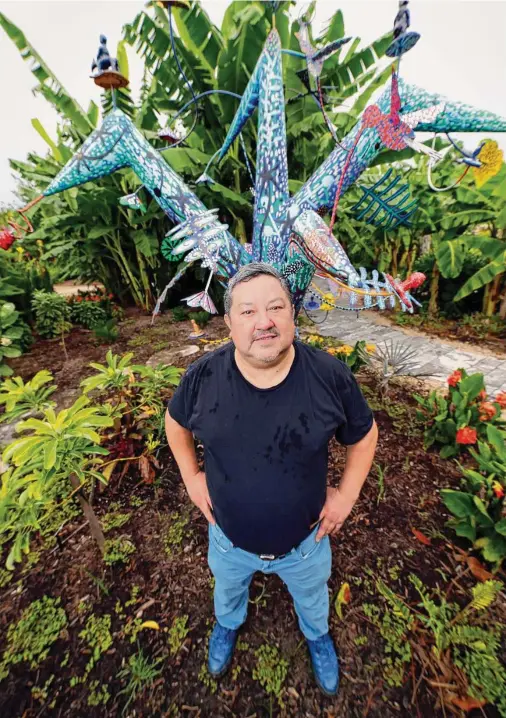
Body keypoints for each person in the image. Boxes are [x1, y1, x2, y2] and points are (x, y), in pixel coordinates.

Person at [165, 262, 378, 696]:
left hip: (306, 544)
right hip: (228, 539)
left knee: (313, 597)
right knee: (227, 591)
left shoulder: (329, 377)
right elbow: (175, 423)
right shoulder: (203, 377)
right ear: (228, 323)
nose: (264, 321)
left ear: (292, 314)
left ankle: (317, 636)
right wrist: (191, 477)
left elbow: (365, 434)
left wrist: (347, 496)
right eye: (247, 311)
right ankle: (227, 624)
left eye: (276, 307)